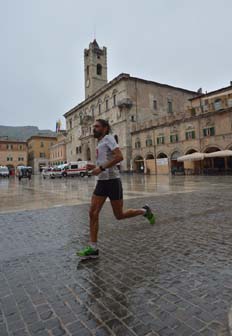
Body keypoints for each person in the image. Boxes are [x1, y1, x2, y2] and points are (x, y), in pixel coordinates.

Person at [77, 119, 155, 259]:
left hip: (113, 181)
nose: (93, 129)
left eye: (96, 126)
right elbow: (105, 161)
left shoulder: (109, 138)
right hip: (101, 181)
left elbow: (119, 156)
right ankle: (93, 248)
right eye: (93, 127)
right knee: (93, 213)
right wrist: (94, 166)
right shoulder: (100, 142)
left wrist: (100, 168)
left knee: (119, 215)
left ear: (105, 128)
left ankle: (144, 211)